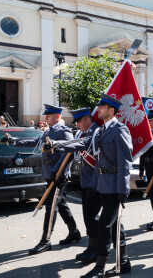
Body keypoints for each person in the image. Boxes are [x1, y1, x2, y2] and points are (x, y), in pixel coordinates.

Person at [0, 104, 80, 255]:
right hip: (50, 173)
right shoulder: (48, 131)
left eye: (48, 116)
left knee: (51, 207)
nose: (45, 118)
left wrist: (57, 171)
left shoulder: (64, 131)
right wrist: (14, 141)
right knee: (60, 203)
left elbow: (71, 150)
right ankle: (74, 231)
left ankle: (46, 240)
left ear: (57, 116)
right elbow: (34, 142)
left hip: (58, 175)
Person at [81, 94, 133, 278]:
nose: (98, 109)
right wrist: (95, 185)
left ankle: (100, 267)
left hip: (114, 187)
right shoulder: (101, 131)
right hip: (102, 185)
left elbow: (125, 162)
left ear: (111, 110)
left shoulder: (120, 130)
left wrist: (123, 189)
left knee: (104, 225)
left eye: (102, 106)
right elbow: (98, 161)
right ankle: (124, 262)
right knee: (114, 225)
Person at [53, 108, 100, 264]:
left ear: (87, 119)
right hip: (86, 181)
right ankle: (92, 246)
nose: (77, 125)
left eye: (79, 121)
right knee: (88, 216)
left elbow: (80, 147)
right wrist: (56, 171)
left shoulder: (96, 132)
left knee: (93, 216)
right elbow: (72, 153)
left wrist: (57, 144)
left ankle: (98, 248)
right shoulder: (83, 133)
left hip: (96, 181)